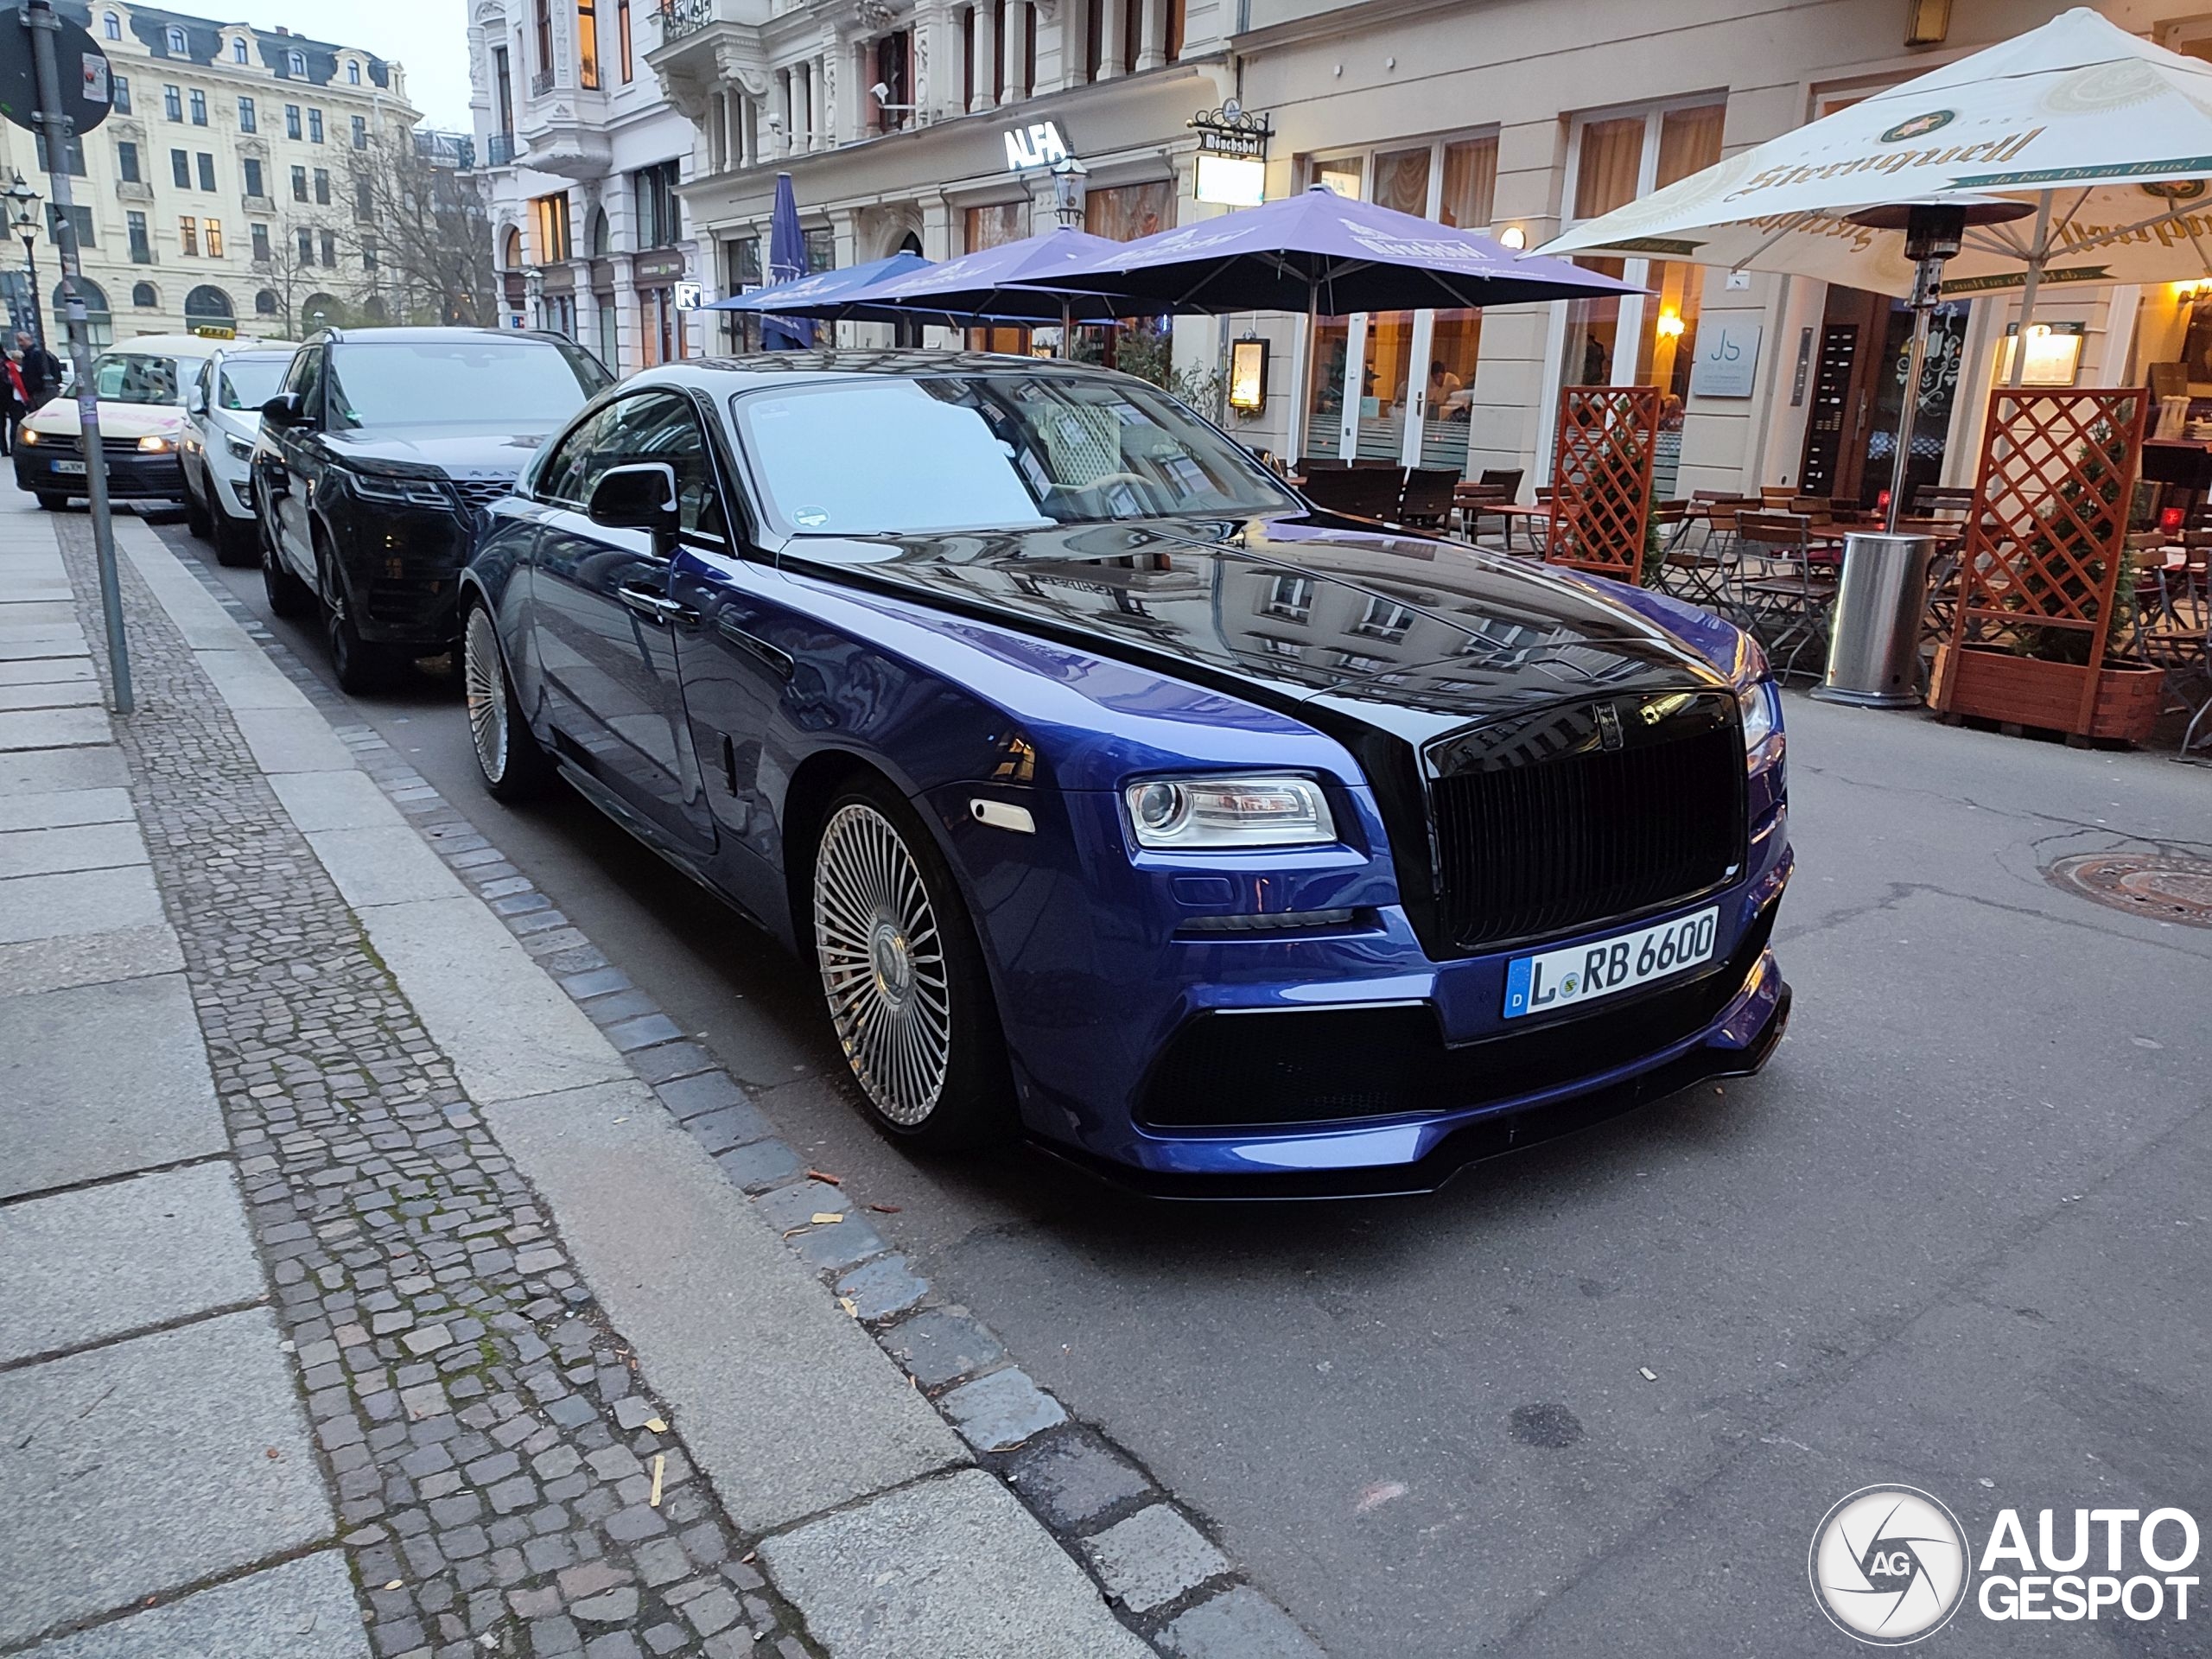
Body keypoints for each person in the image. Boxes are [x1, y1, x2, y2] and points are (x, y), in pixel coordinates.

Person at [16, 332, 60, 415]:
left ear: (28, 339)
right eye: (18, 341)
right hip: (39, 392)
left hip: (41, 393)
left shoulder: (36, 355)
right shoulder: (37, 354)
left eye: (21, 340)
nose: (19, 344)